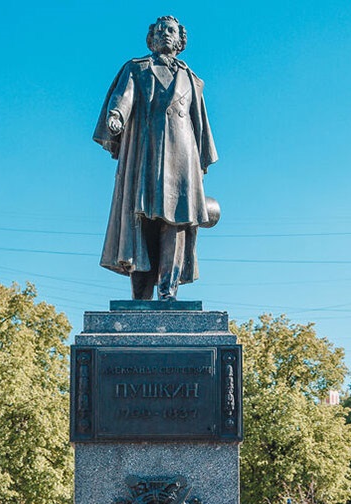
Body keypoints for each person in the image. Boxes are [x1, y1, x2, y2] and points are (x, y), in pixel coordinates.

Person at [95, 15, 219, 301]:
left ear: (180, 40)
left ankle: (168, 291)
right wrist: (116, 117)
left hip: (181, 157)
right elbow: (122, 97)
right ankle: (141, 297)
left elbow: (199, 124)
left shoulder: (191, 79)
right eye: (159, 30)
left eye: (171, 30)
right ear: (151, 39)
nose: (165, 33)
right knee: (141, 220)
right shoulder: (136, 68)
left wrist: (200, 167)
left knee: (175, 222)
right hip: (145, 154)